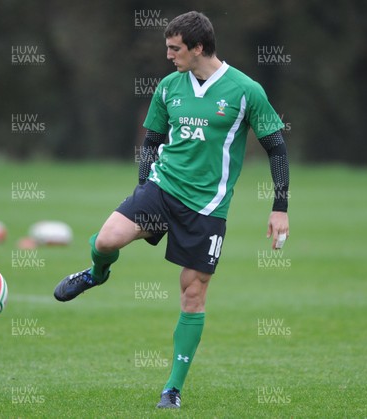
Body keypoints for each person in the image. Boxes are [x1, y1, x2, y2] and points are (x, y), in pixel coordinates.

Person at [54, 10, 290, 409]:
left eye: (175, 48)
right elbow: (151, 141)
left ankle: (172, 389)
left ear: (198, 47)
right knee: (107, 239)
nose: (168, 55)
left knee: (192, 292)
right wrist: (144, 184)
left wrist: (279, 207)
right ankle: (96, 274)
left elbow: (277, 147)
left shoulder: (246, 91)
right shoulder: (168, 87)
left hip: (208, 208)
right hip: (162, 190)